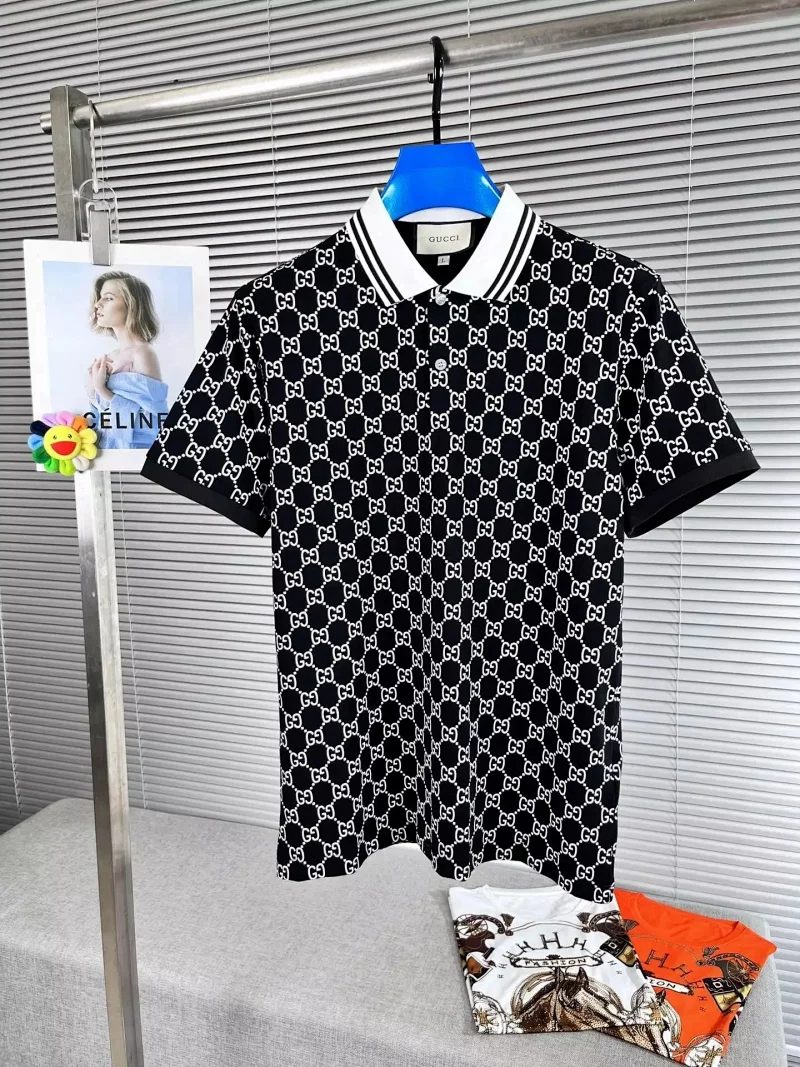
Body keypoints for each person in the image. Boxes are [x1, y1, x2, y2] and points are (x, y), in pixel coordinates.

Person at [85, 270, 169, 449]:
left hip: (133, 454)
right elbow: (101, 422)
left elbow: (155, 423)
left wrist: (102, 390)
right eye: (99, 298)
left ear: (132, 305)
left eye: (108, 298)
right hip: (107, 452)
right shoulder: (111, 356)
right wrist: (92, 392)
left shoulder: (142, 354)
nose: (97, 305)